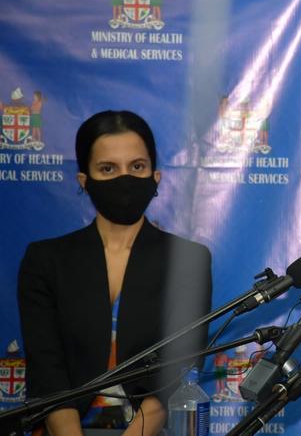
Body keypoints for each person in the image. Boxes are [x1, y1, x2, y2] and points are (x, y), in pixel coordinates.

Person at [18, 110, 213, 436]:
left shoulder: (188, 260)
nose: (124, 179)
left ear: (156, 176)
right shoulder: (45, 260)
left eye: (137, 167)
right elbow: (47, 372)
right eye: (108, 169)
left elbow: (175, 371)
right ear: (85, 181)